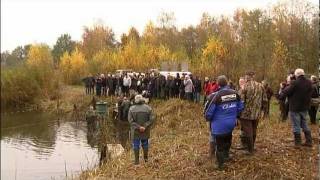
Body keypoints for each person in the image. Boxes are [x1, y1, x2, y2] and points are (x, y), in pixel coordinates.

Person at [205, 75, 244, 170]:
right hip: (230, 124)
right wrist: (235, 115)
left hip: (219, 126)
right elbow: (241, 107)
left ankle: (220, 164)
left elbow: (208, 113)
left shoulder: (216, 96)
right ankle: (226, 157)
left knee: (220, 145)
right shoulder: (235, 94)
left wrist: (208, 119)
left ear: (218, 84)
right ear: (227, 82)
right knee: (228, 140)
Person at [278, 69, 313, 147]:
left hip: (295, 108)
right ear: (303, 74)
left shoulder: (295, 83)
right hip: (305, 107)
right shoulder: (309, 82)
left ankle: (297, 143)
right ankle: (309, 141)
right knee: (304, 124)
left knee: (296, 125)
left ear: (296, 74)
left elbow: (286, 92)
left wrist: (283, 88)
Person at [239, 71, 267, 155]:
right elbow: (265, 100)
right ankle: (252, 147)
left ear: (247, 77)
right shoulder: (261, 86)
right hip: (257, 113)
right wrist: (262, 111)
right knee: (254, 129)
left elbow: (241, 101)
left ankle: (250, 150)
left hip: (246, 114)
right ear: (253, 76)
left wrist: (238, 112)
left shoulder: (245, 87)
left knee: (248, 131)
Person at [128, 95, 154, 165]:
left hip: (136, 131)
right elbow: (151, 119)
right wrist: (144, 126)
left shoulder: (131, 109)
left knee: (136, 145)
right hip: (145, 131)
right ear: (142, 99)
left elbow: (130, 121)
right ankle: (146, 160)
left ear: (135, 100)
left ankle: (136, 161)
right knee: (145, 144)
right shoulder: (148, 108)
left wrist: (138, 127)